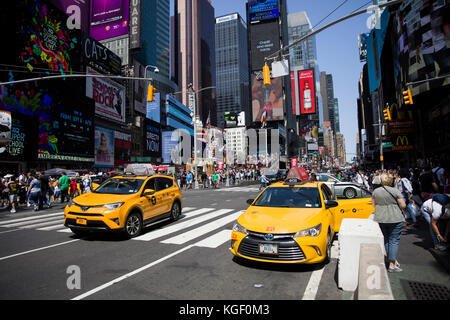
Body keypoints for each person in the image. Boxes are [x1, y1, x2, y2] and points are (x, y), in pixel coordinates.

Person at [372, 173, 407, 272]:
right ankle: (392, 264)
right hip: (395, 217)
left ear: (381, 181)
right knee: (394, 240)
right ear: (391, 181)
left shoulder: (376, 191)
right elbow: (403, 205)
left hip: (381, 218)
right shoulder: (395, 191)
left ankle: (391, 260)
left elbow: (374, 205)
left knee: (387, 239)